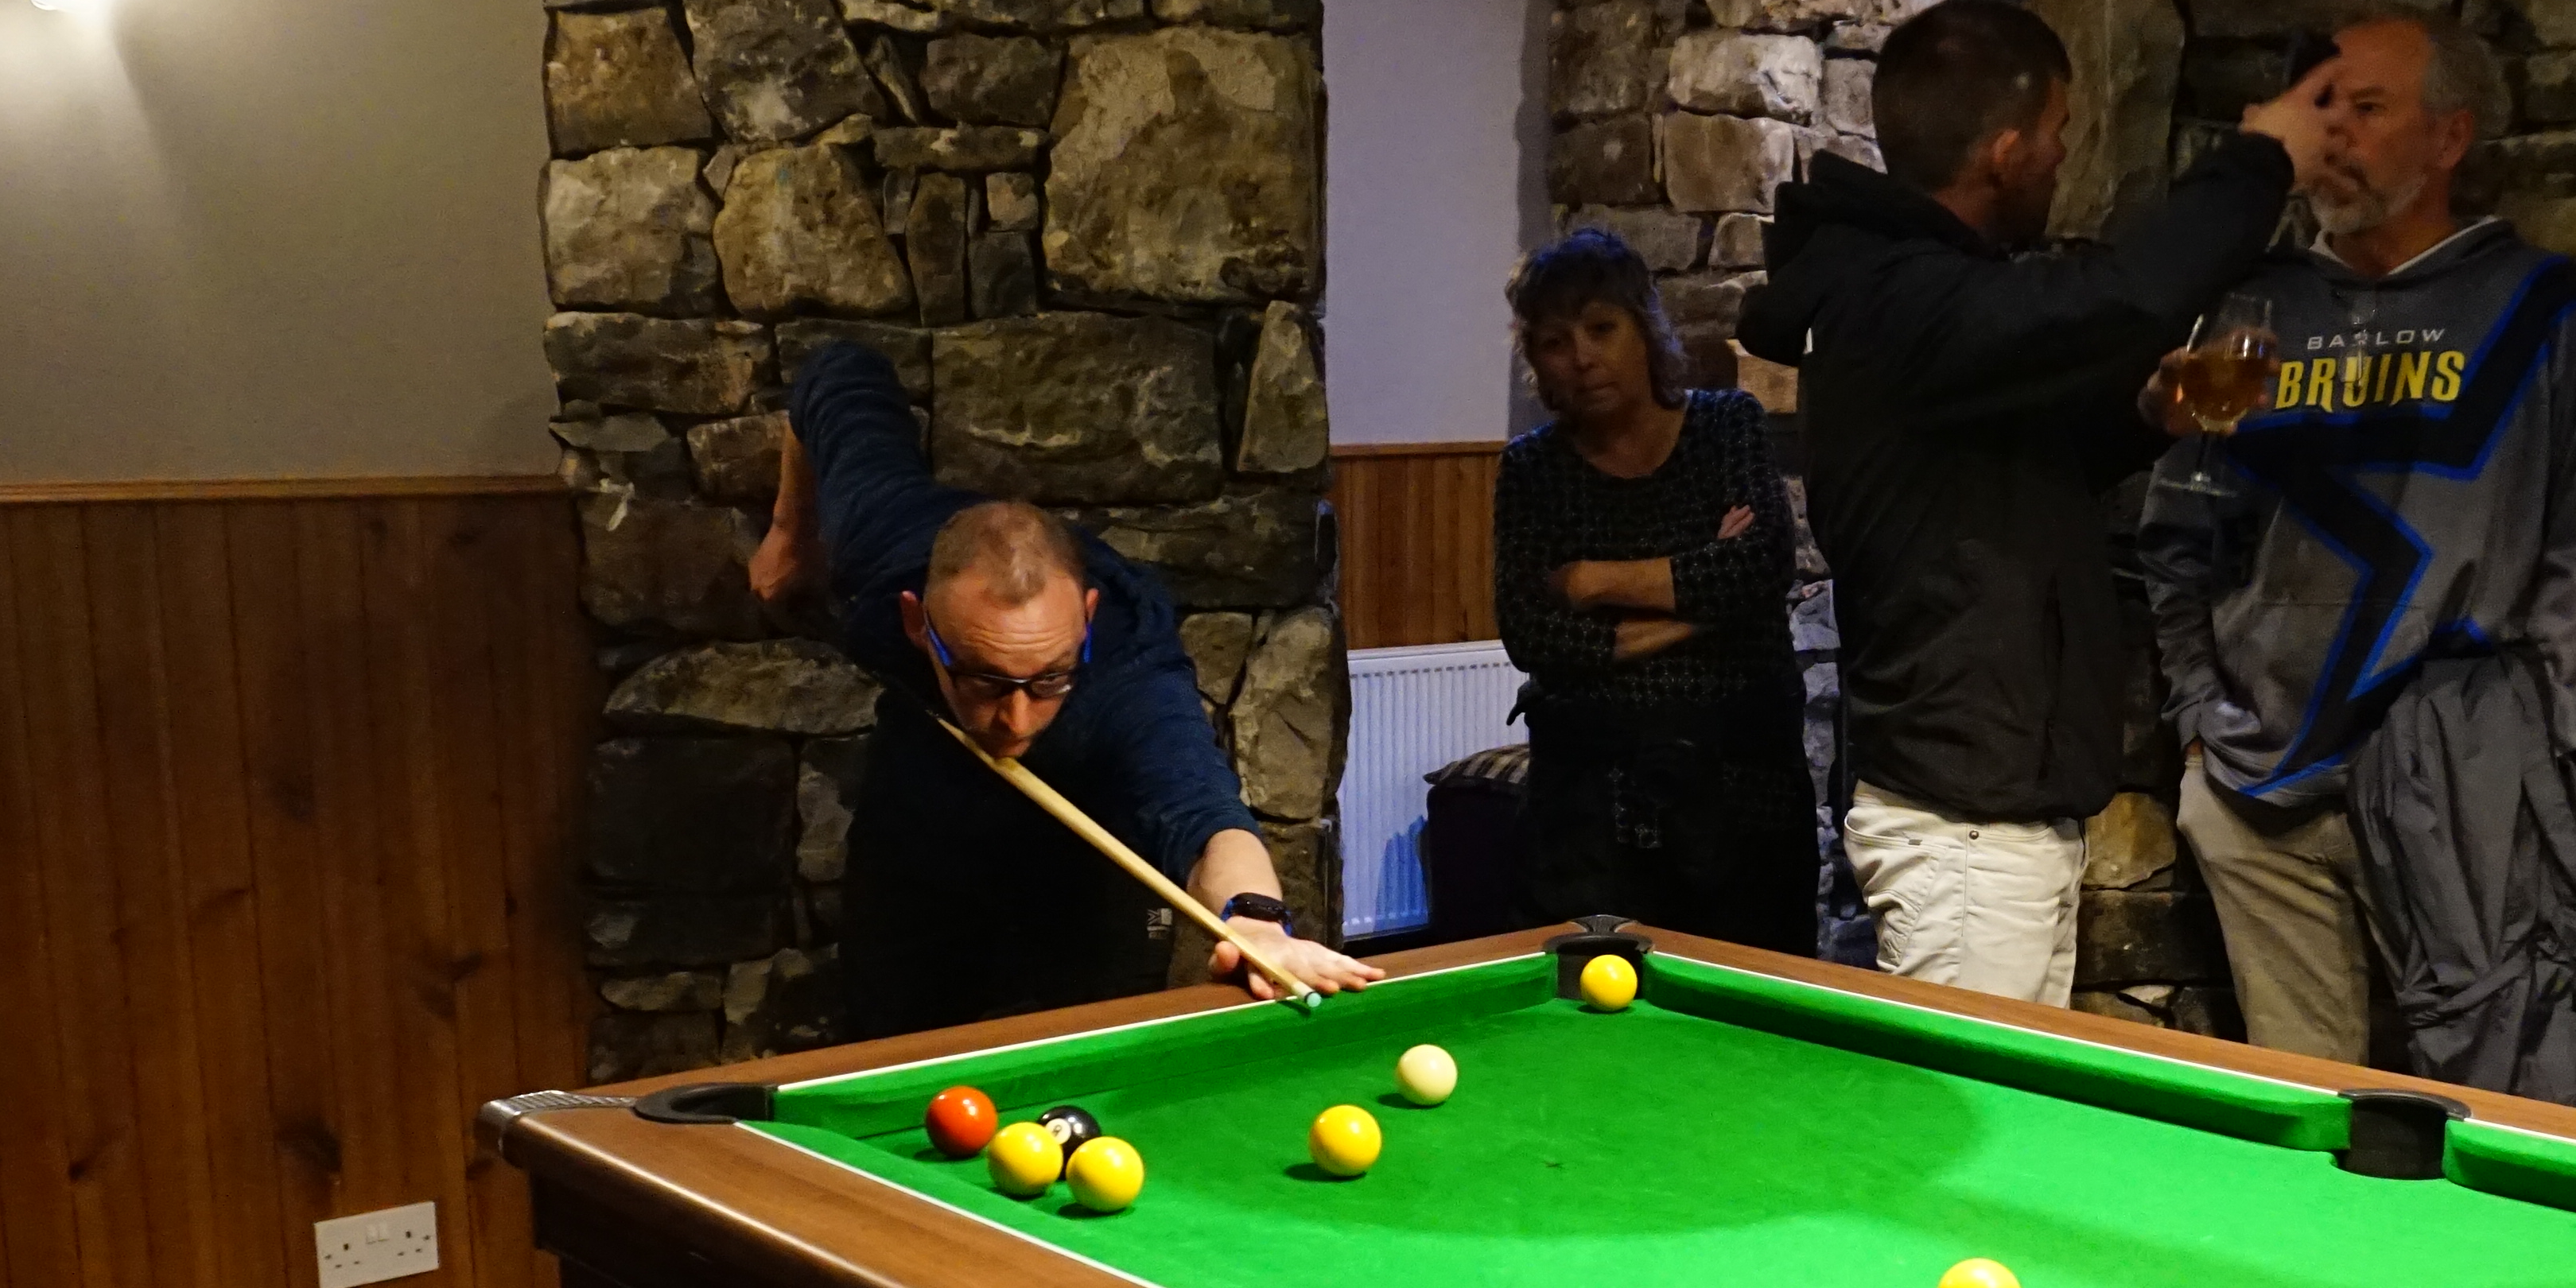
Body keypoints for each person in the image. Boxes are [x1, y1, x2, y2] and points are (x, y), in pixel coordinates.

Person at [1731, 0, 2345, 1005]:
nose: (2065, 155)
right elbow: (2123, 298)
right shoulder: (1901, 295)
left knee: (2005, 1096)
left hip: (1991, 821)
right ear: (2007, 152)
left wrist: (2143, 416)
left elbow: (1996, 483)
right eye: (2059, 130)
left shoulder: (1914, 295)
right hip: (1963, 829)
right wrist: (2260, 160)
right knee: (1962, 1102)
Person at [2130, 4, 2576, 1100]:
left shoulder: (2537, 308)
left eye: (2367, 109)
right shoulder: (2254, 305)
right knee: (2300, 1114)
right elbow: (2179, 526)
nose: (2333, 134)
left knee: (2491, 1103)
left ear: (2448, 136)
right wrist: (2198, 727)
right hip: (2254, 791)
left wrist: (2523, 744)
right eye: (2322, 106)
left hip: (2455, 795)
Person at [746, 342, 1374, 1038]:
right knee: (889, 1033)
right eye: (985, 680)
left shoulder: (1128, 679)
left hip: (1087, 866)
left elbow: (1205, 814)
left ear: (1088, 619)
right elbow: (837, 372)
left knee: (1086, 1044)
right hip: (922, 814)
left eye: (1049, 678)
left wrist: (1257, 921)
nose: (1016, 719)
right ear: (917, 623)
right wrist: (790, 533)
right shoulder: (882, 534)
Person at [1487, 230, 1812, 950]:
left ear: (1644, 326)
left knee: (1753, 1001)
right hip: (1587, 817)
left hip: (1745, 799)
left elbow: (1761, 564)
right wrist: (1705, 610)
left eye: (1601, 328)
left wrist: (1591, 581)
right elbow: (1533, 635)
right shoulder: (1532, 470)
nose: (1582, 357)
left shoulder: (1726, 426)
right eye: (1555, 342)